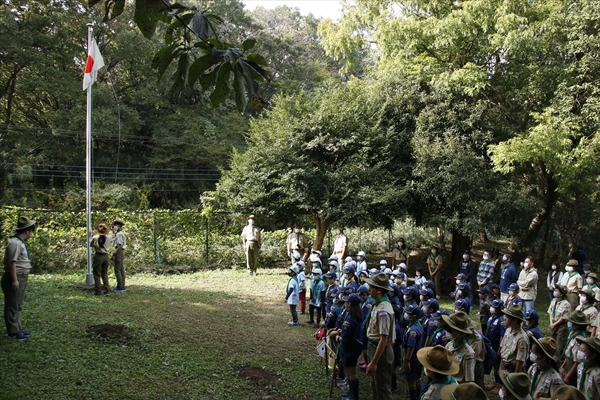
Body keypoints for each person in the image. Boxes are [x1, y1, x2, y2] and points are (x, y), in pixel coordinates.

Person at [2, 216, 36, 340]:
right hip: (15, 277)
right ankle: (13, 331)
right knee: (12, 303)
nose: (31, 234)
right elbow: (12, 262)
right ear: (27, 231)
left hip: (21, 276)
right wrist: (15, 280)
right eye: (31, 231)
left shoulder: (20, 243)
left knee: (17, 303)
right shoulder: (15, 243)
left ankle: (18, 328)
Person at [364, 273, 396, 400]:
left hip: (381, 351)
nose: (369, 289)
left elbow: (384, 338)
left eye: (371, 287)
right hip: (374, 347)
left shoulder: (384, 310)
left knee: (382, 388)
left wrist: (374, 362)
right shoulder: (378, 304)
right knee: (375, 385)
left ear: (379, 290)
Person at [332, 293, 363, 400]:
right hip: (356, 345)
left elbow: (345, 337)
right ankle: (350, 393)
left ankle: (354, 396)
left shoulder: (350, 319)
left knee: (351, 372)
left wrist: (338, 337)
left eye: (346, 302)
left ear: (349, 304)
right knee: (350, 371)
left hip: (350, 347)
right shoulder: (358, 314)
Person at [494, 304, 529, 394]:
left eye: (507, 317)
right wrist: (501, 367)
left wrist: (515, 377)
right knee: (504, 391)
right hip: (505, 366)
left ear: (515, 320)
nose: (504, 318)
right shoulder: (508, 330)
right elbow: (504, 351)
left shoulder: (521, 338)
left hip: (513, 369)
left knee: (511, 392)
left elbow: (520, 360)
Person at [442, 311, 476, 384]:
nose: (447, 333)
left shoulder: (468, 354)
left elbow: (469, 381)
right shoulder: (449, 345)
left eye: (450, 331)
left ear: (458, 332)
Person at [560, 310, 589, 385]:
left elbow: (577, 361)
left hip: (574, 367)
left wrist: (568, 376)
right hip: (569, 362)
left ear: (577, 325)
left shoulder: (580, 339)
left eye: (571, 322)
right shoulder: (572, 334)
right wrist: (563, 366)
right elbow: (568, 353)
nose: (569, 323)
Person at [402, 304, 424, 400]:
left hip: (412, 358)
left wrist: (407, 360)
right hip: (418, 356)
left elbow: (411, 346)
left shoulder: (413, 330)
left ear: (414, 317)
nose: (406, 314)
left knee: (412, 382)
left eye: (408, 313)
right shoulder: (417, 326)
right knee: (417, 379)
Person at [548, 285, 572, 363]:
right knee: (552, 342)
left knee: (560, 344)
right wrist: (552, 323)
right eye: (554, 290)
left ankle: (560, 361)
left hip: (561, 326)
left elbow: (564, 317)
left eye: (557, 290)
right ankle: (553, 358)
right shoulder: (553, 301)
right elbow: (551, 313)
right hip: (553, 324)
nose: (555, 292)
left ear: (561, 294)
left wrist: (555, 325)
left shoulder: (566, 304)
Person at [90, 222, 113, 296]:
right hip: (106, 256)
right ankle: (107, 290)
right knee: (104, 274)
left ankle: (98, 291)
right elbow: (113, 235)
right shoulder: (109, 237)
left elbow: (91, 245)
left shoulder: (95, 237)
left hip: (98, 256)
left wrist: (93, 236)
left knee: (97, 274)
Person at [111, 218, 127, 291]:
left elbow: (120, 246)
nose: (114, 226)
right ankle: (122, 285)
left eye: (115, 225)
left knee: (117, 269)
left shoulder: (120, 234)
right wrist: (112, 228)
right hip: (121, 251)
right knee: (121, 269)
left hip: (119, 251)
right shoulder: (119, 233)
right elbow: (114, 235)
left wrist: (114, 254)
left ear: (119, 225)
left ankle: (120, 286)